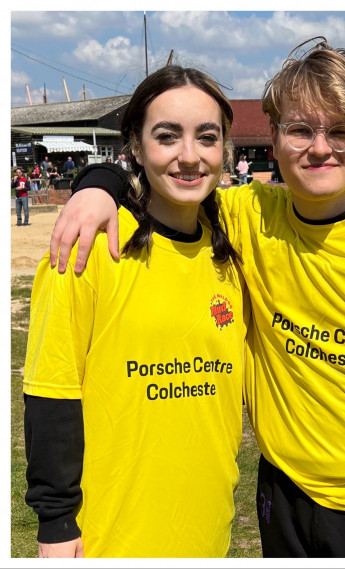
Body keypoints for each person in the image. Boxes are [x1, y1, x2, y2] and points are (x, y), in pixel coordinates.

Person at [50, 38, 345, 559]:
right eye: (301, 130)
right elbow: (175, 175)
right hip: (282, 489)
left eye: (341, 130)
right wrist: (97, 183)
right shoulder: (247, 215)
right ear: (276, 136)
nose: (320, 148)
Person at [22, 65, 246, 558]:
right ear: (136, 148)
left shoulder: (234, 250)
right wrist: (56, 522)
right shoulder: (87, 248)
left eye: (206, 138)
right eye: (167, 136)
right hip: (110, 534)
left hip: (208, 526)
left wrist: (99, 180)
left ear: (224, 150)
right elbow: (49, 393)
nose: (190, 156)